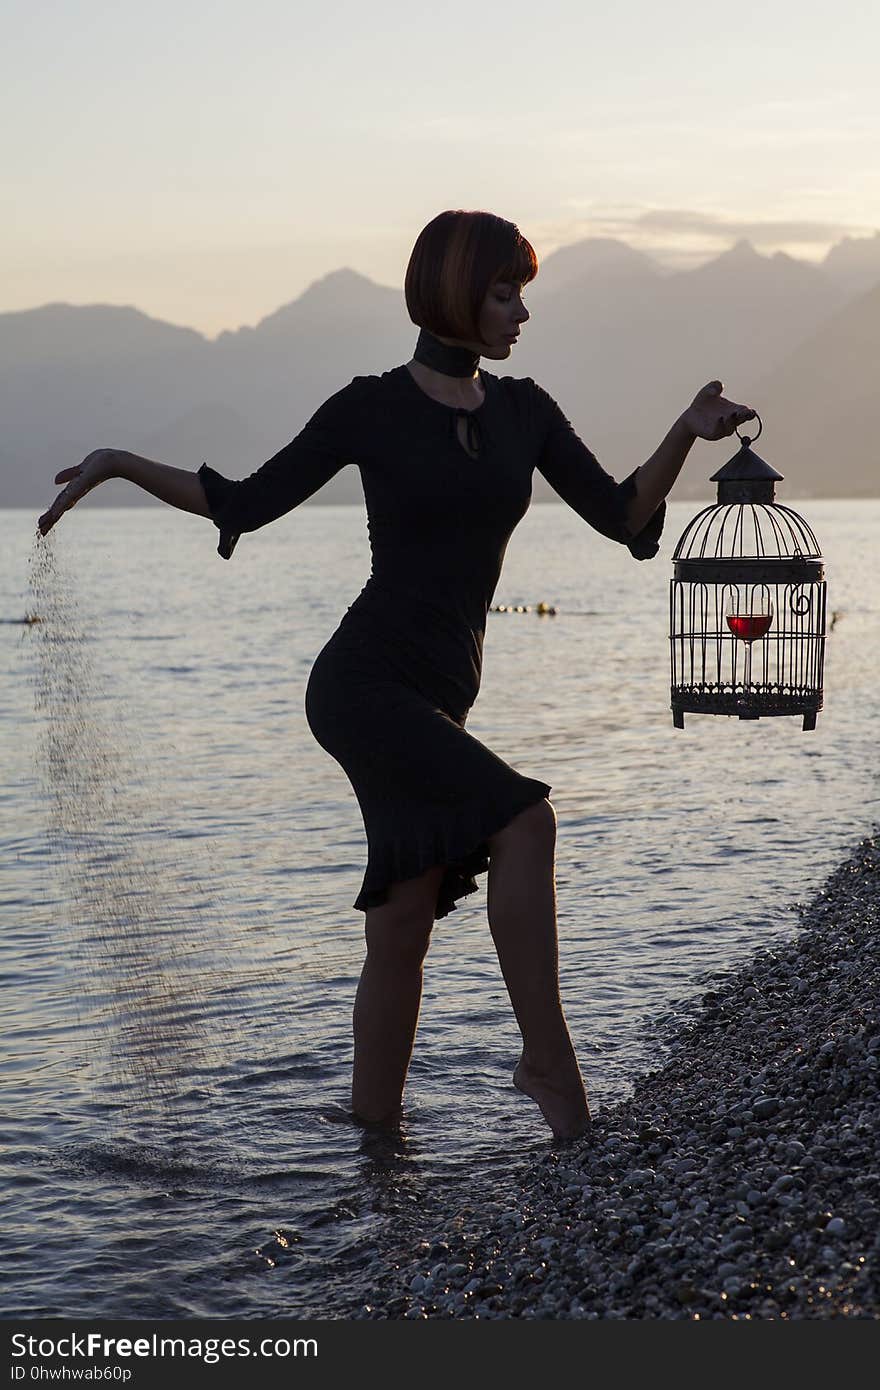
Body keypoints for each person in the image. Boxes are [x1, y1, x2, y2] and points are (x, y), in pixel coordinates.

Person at [38, 209, 755, 1140]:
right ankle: (550, 1069)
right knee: (524, 821)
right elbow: (244, 503)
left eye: (521, 293)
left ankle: (374, 1133)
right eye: (505, 292)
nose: (520, 312)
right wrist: (120, 463)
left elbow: (624, 516)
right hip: (363, 685)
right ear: (455, 292)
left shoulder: (524, 413)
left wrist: (685, 433)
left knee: (406, 916)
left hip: (441, 695)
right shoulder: (369, 408)